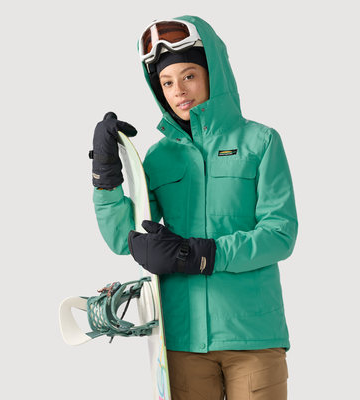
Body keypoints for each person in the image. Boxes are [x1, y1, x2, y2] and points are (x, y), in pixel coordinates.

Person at [90, 16, 298, 400]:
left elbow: (280, 233)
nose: (179, 91)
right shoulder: (159, 156)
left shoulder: (260, 142)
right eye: (167, 83)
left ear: (212, 73)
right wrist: (105, 178)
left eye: (189, 76)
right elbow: (125, 238)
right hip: (181, 342)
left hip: (253, 337)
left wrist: (204, 255)